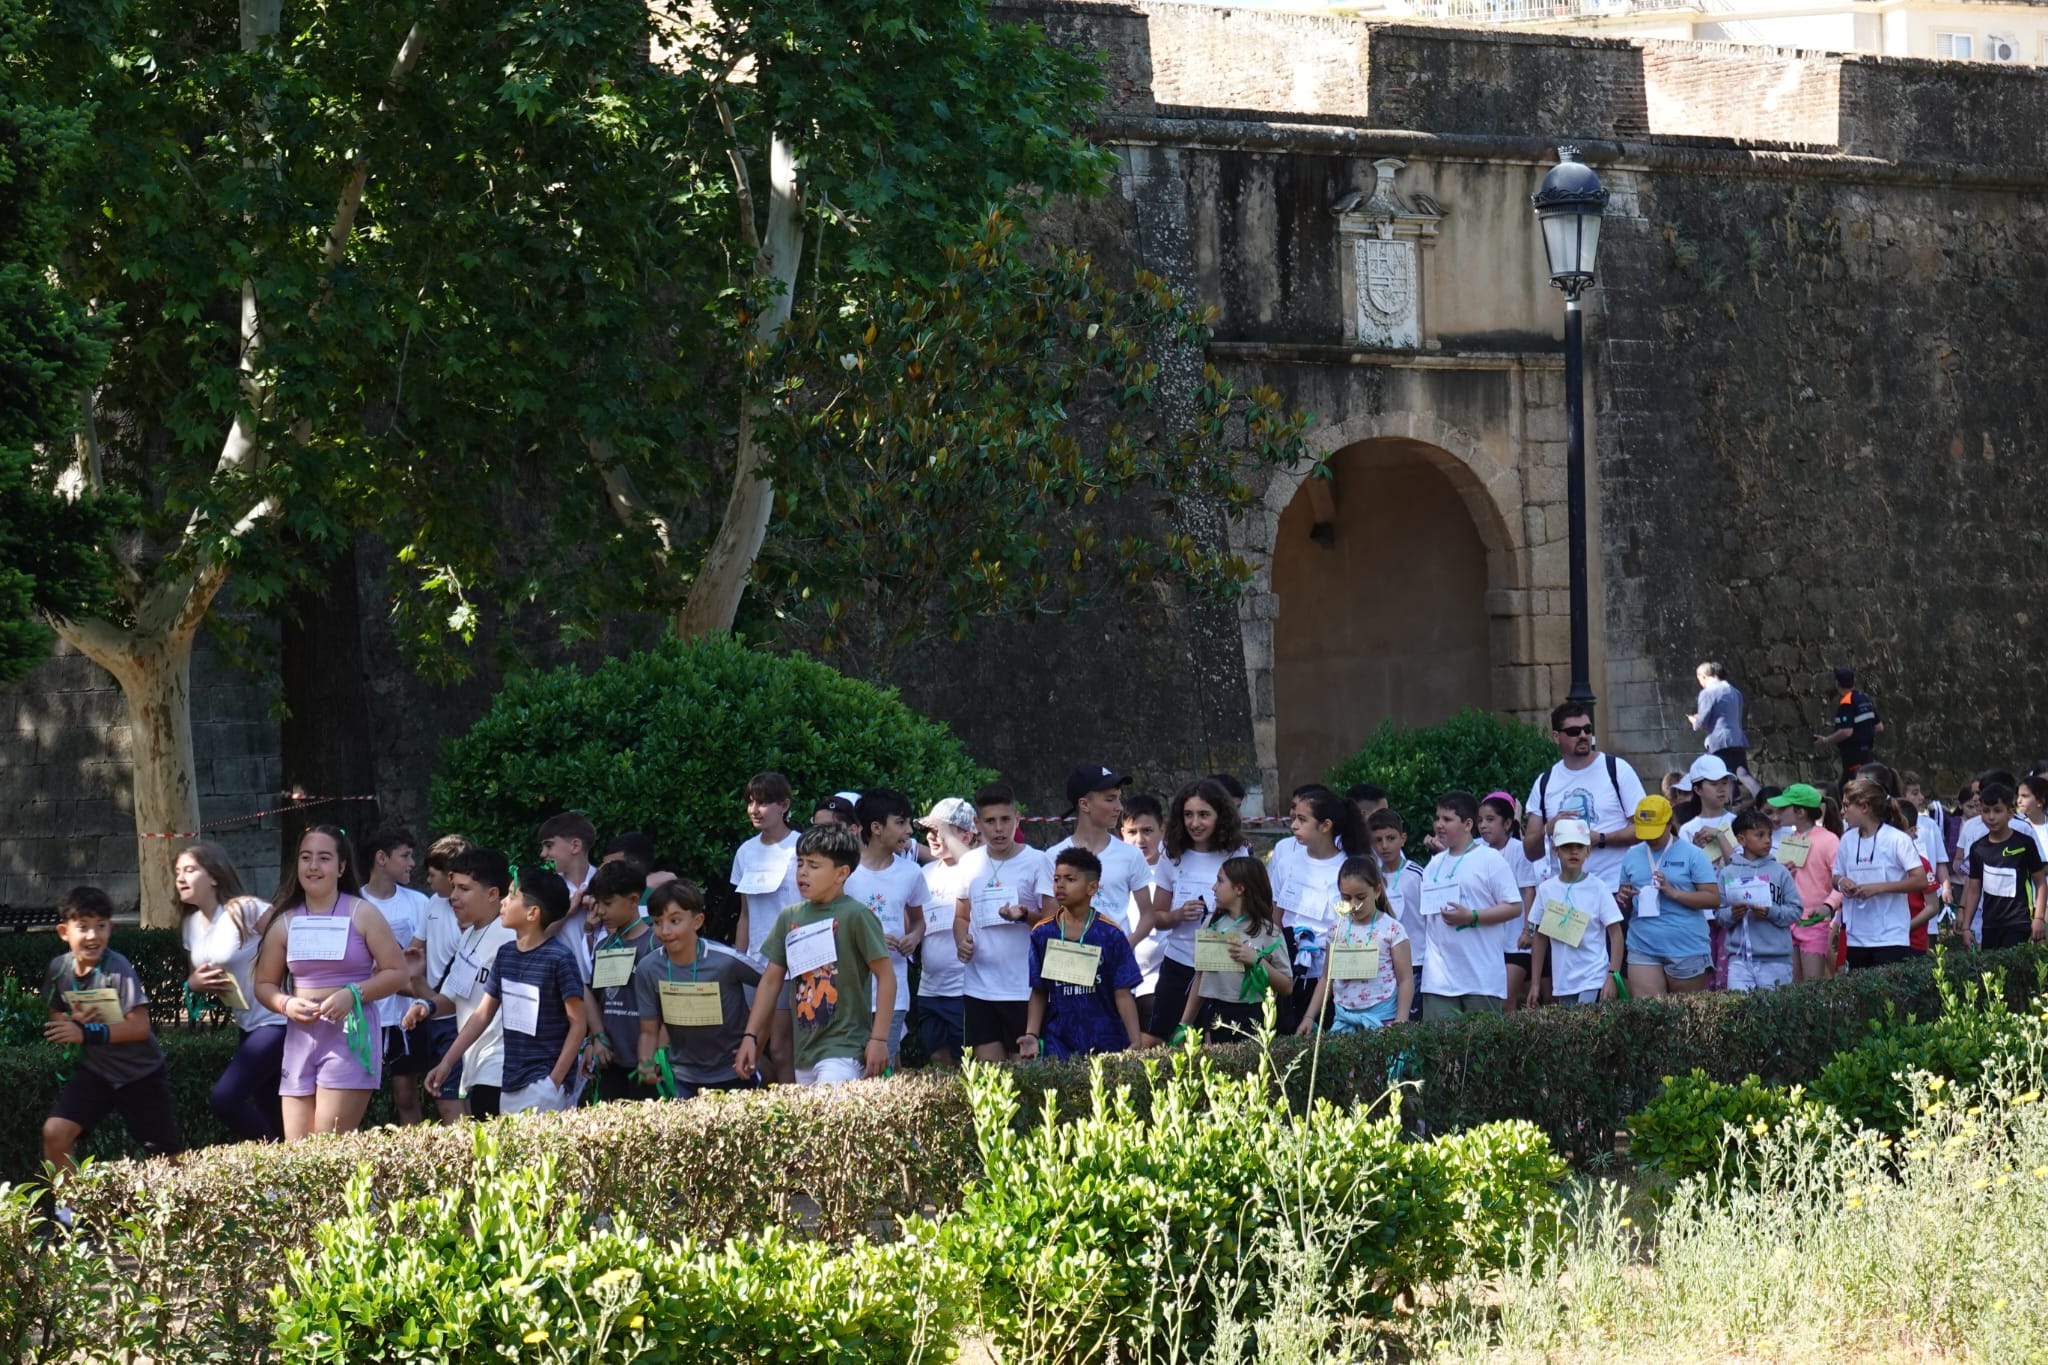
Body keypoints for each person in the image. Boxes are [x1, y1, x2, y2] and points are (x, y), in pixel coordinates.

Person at [252, 826, 411, 1140]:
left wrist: (353, 994)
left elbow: (398, 973)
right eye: (306, 858)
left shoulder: (363, 914)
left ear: (341, 867)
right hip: (299, 1041)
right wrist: (285, 1003)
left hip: (349, 1039)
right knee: (297, 1156)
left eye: (324, 858)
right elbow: (264, 985)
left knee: (327, 1148)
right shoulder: (284, 922)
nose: (313, 866)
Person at [736, 824, 894, 1087]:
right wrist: (750, 1037)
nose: (803, 872)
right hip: (804, 1050)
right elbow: (771, 981)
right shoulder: (790, 916)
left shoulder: (856, 915)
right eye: (800, 863)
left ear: (841, 873)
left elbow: (886, 977)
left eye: (814, 865)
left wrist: (878, 1039)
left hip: (844, 1048)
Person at [42, 887, 181, 1175]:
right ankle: (67, 1217)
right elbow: (54, 1012)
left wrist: (87, 1032)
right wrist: (69, 1019)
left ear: (110, 928)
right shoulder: (59, 969)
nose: (93, 936)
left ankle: (184, 1217)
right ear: (63, 931)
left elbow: (140, 1026)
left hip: (141, 1075)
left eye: (100, 926)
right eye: (83, 927)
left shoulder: (118, 967)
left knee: (166, 1161)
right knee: (55, 1132)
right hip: (96, 1074)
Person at [424, 867, 585, 1115]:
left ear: (533, 913)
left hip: (542, 1084)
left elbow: (578, 1023)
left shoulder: (559, 958)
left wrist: (554, 1081)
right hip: (509, 1081)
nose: (503, 901)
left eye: (511, 895)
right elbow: (482, 1015)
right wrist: (447, 1062)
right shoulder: (506, 953)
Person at [176, 841, 283, 1141]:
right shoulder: (190, 924)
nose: (180, 879)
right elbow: (197, 974)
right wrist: (194, 984)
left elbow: (294, 941)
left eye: (189, 870)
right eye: (177, 872)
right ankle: (284, 1177)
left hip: (277, 1021)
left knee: (225, 1099)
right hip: (246, 1024)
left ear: (213, 876)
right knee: (270, 1112)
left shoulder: (244, 909)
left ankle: (279, 1165)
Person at [408, 847, 518, 1120]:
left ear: (493, 894)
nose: (453, 897)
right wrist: (426, 1006)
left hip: (503, 1067)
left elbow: (486, 1011)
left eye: (463, 889)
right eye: (453, 887)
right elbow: (451, 997)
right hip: (475, 1064)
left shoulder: (510, 939)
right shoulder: (469, 935)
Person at [952, 782, 1057, 1064]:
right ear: (977, 824)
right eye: (990, 821)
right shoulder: (968, 863)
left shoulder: (1039, 860)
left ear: (1017, 819)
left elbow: (1053, 920)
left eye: (1005, 820)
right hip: (978, 987)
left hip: (1023, 988)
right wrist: (961, 942)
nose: (998, 829)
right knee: (989, 1079)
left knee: (1023, 1076)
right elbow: (962, 916)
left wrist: (1024, 916)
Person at [1143, 779, 1251, 1042]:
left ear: (1220, 816)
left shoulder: (1237, 852)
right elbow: (1157, 917)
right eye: (1188, 815)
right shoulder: (1172, 853)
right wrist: (1178, 914)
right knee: (1167, 1039)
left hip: (1223, 964)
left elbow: (1252, 911)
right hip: (1180, 962)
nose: (1195, 823)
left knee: (1224, 1043)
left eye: (1204, 815)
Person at [633, 879, 761, 1099]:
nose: (665, 931)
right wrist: (646, 1062)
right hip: (682, 1075)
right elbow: (648, 1029)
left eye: (675, 921)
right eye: (656, 922)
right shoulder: (648, 967)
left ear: (697, 921)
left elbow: (770, 984)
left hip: (734, 1071)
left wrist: (755, 1037)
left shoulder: (727, 961)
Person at [1019, 848, 1143, 1060]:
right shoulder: (1042, 933)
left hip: (1107, 1039)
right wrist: (1031, 1034)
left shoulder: (1110, 934)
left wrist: (1136, 1041)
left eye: (1070, 879)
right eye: (1056, 879)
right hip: (1058, 1040)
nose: (1060, 885)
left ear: (1092, 887)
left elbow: (1122, 992)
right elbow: (1039, 991)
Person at [1047, 766, 1152, 1011]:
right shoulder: (1053, 856)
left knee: (1120, 1046)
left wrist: (1128, 942)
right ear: (1084, 804)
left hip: (1116, 970)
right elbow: (1050, 917)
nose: (1119, 807)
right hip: (1070, 970)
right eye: (1110, 799)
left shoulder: (1130, 855)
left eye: (1119, 798)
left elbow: (1148, 913)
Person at [1413, 792, 1525, 1020]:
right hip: (1438, 982)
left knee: (1480, 1053)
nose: (1439, 825)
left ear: (1467, 824)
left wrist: (1472, 916)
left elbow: (1514, 907)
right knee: (1439, 1053)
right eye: (1437, 818)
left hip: (1480, 979)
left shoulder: (1490, 859)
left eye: (1447, 819)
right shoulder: (1433, 865)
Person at [1272, 788, 1369, 1032]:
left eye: (1302, 820)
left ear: (1325, 825)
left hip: (1336, 979)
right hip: (1290, 974)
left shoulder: (1350, 866)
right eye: (1294, 818)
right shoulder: (1286, 863)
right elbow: (1275, 918)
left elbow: (1364, 923)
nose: (1294, 825)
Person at [1524, 702, 1648, 890]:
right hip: (1565, 893)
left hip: (1614, 888)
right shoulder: (1545, 782)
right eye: (1574, 731)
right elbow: (1530, 851)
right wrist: (1548, 829)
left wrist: (1602, 838)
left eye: (1587, 729)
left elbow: (1644, 827)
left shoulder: (1616, 769)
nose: (1583, 736)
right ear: (1556, 737)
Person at [356, 824, 433, 1124]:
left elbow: (426, 955)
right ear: (381, 858)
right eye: (405, 856)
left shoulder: (419, 902)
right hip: (367, 1013)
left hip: (406, 1015)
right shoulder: (355, 904)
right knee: (354, 1092)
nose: (412, 863)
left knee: (406, 1093)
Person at [846, 788, 926, 1068]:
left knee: (882, 1070)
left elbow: (918, 920)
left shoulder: (911, 872)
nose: (908, 830)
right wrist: (869, 939)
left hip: (893, 992)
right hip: (849, 993)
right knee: (847, 1071)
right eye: (901, 823)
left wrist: (914, 938)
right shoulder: (845, 872)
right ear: (876, 828)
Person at [730, 772, 801, 1084]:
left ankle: (793, 1118)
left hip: (792, 963)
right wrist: (737, 959)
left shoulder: (802, 847)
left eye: (762, 802)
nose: (754, 809)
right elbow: (745, 913)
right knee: (750, 1048)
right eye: (750, 802)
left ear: (784, 805)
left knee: (783, 1049)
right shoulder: (745, 851)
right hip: (753, 964)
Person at [1177, 855, 1292, 1041]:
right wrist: (1185, 1023)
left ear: (1239, 889)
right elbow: (1200, 976)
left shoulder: (1269, 932)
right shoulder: (1212, 923)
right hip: (1214, 1012)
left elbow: (1286, 986)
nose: (1213, 887)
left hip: (1253, 1016)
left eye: (1220, 881)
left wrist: (1257, 960)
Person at [1614, 796, 1720, 997]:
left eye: (1655, 831)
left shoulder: (1692, 854)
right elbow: (1624, 899)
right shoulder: (1632, 855)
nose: (1650, 838)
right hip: (1642, 944)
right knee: (1648, 1015)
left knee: (1684, 1017)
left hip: (1686, 946)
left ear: (1669, 823)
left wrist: (1674, 892)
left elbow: (1713, 899)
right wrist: (1623, 898)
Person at [1298, 856, 1413, 1031]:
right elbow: (1326, 977)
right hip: (1345, 1020)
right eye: (1346, 898)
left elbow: (1405, 979)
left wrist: (1401, 1020)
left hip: (1383, 1020)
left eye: (1360, 897)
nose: (1354, 905)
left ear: (1377, 891)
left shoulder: (1392, 930)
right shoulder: (1336, 929)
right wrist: (1308, 1016)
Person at [1830, 777, 1929, 969]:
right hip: (1856, 937)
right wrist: (1842, 882)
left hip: (1890, 937)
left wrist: (1879, 888)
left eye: (1846, 805)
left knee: (1888, 997)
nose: (1842, 812)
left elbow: (1921, 881)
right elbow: (1835, 877)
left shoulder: (1896, 839)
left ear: (1865, 807)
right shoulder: (1847, 839)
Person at [1525, 819, 1624, 1006]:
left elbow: (1616, 933)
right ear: (1556, 851)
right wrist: (1535, 984)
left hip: (1594, 977)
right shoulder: (1546, 889)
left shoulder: (1598, 888)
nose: (1573, 851)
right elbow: (1539, 937)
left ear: (1588, 850)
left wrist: (1612, 975)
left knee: (1587, 1031)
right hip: (1563, 981)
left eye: (1579, 846)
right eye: (1566, 846)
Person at [583, 858, 658, 1102]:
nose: (600, 911)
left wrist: (658, 1054)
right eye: (597, 903)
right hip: (609, 1059)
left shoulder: (655, 945)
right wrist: (595, 1039)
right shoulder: (604, 945)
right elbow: (594, 997)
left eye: (608, 903)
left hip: (649, 1062)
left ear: (634, 900)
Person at [411, 832, 474, 1122]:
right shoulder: (432, 904)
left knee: (451, 1101)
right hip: (434, 1011)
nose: (427, 880)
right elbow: (415, 949)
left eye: (432, 874)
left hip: (462, 1017)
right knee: (448, 1098)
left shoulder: (475, 912)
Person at [914, 797, 977, 1068]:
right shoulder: (925, 873)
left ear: (966, 834)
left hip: (963, 989)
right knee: (938, 1057)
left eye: (941, 830)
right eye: (929, 830)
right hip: (928, 988)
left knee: (968, 1063)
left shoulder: (976, 870)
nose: (932, 837)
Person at [1766, 784, 1843, 983]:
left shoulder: (1829, 840)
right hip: (1787, 920)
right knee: (1793, 988)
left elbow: (1843, 880)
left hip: (1814, 922)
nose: (1777, 814)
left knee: (1812, 988)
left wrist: (1828, 905)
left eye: (1783, 809)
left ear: (1800, 812)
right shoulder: (1789, 839)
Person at [1957, 782, 2048, 951]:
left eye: (1997, 811)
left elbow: (2040, 881)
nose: (1991, 817)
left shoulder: (2025, 843)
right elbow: (1974, 890)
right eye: (1986, 811)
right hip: (1989, 925)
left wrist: (2038, 918)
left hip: (2019, 922)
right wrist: (1966, 928)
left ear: (2010, 813)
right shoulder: (1977, 849)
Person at [1674, 755, 1737, 990]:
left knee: (1730, 979)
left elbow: (1742, 868)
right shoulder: (1688, 830)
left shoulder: (1737, 822)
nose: (1721, 789)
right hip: (1700, 916)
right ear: (1698, 789)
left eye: (1724, 782)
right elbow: (1681, 874)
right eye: (1714, 783)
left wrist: (1720, 838)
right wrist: (1696, 852)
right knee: (1703, 979)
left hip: (1733, 910)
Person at [1717, 811, 1800, 991]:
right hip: (1739, 960)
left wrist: (1771, 912)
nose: (1768, 840)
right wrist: (1732, 914)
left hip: (1776, 959)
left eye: (1769, 835)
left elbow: (1795, 910)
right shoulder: (1727, 873)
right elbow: (1719, 914)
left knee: (1775, 1013)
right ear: (1741, 839)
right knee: (1740, 1012)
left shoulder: (1780, 872)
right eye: (1759, 835)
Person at [1477, 794, 1541, 1013]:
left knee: (1505, 999)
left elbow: (1528, 891)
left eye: (1490, 819)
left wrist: (1528, 930)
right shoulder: (1476, 850)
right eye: (1480, 820)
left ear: (1506, 823)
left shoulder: (1518, 850)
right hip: (1486, 941)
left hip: (1515, 940)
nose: (1483, 825)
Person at [1119, 793, 1169, 1041]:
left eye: (1147, 830)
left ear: (1163, 829)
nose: (1140, 840)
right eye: (1132, 832)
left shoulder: (1173, 873)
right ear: (1122, 833)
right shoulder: (1110, 873)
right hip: (1119, 982)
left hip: (1158, 981)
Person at [1366, 808, 1426, 1015]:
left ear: (1403, 839)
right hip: (1381, 964)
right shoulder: (1371, 878)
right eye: (1378, 840)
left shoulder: (1418, 875)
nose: (1384, 846)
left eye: (1390, 838)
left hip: (1415, 960)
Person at [1686, 661, 1753, 791]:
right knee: (1742, 774)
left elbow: (1703, 721)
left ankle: (1735, 805)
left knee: (1724, 776)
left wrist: (1695, 721)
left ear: (1703, 676)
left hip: (1719, 741)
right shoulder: (1735, 691)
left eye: (1699, 679)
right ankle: (1765, 799)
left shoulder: (1707, 693)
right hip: (1737, 738)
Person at [1813, 666, 1881, 783]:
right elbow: (1879, 727)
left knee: (1849, 788)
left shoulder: (1847, 702)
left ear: (1837, 683)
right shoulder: (1865, 698)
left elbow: (1846, 731)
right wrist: (1864, 734)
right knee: (1866, 784)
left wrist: (1825, 740)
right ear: (1853, 682)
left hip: (1853, 755)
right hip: (1867, 753)